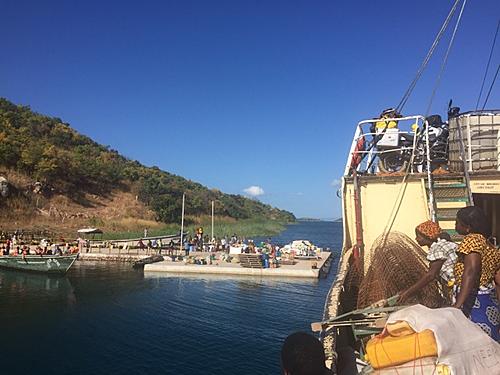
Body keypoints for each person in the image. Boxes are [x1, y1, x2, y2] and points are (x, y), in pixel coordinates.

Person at [453, 206, 499, 341]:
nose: (455, 225)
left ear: (467, 227)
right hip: (489, 301)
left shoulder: (472, 240)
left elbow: (471, 271)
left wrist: (458, 305)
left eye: (457, 222)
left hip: (474, 301)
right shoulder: (489, 244)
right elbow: (498, 279)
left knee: (474, 343)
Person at [399, 220, 457, 303]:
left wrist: (408, 293)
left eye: (418, 236)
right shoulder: (445, 243)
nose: (416, 239)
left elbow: (431, 275)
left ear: (428, 236)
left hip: (456, 286)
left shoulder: (437, 248)